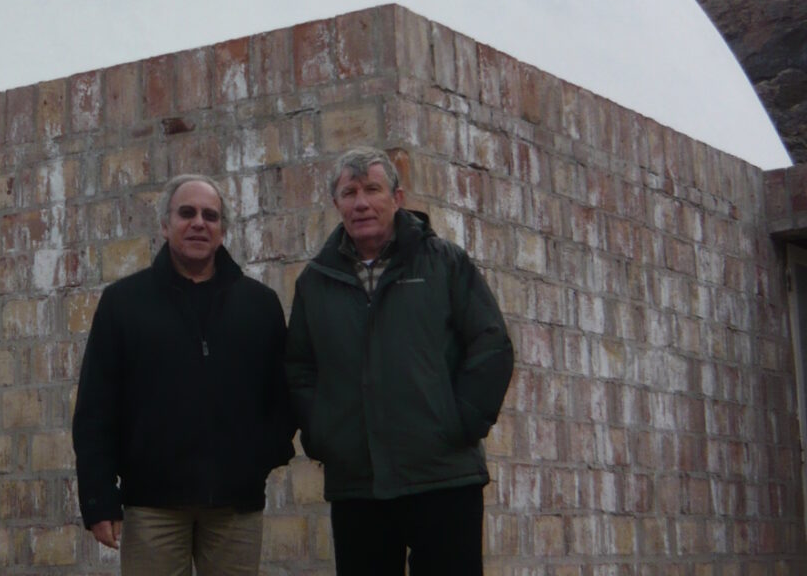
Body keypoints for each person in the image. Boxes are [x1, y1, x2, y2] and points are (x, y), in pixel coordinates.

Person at [286, 147, 514, 575]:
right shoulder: (316, 281)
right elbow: (300, 367)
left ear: (397, 197)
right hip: (358, 484)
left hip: (443, 475)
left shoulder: (444, 262)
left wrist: (460, 421)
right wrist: (322, 433)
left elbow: (491, 345)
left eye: (373, 189)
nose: (361, 202)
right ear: (337, 204)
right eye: (349, 192)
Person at [73, 174, 296, 575]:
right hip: (152, 508)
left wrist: (259, 460)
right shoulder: (123, 303)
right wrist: (98, 498)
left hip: (235, 508)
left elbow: (282, 397)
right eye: (186, 213)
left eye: (210, 215)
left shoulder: (259, 305)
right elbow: (95, 407)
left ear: (223, 230)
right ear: (165, 224)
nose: (199, 223)